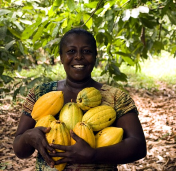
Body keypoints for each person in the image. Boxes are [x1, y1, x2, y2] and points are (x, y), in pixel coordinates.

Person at [13, 28, 147, 171]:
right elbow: (20, 150)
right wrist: (28, 137)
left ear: (95, 56)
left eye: (86, 51)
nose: (78, 57)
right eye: (71, 51)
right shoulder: (41, 93)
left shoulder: (116, 97)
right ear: (61, 57)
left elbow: (138, 147)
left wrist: (94, 155)